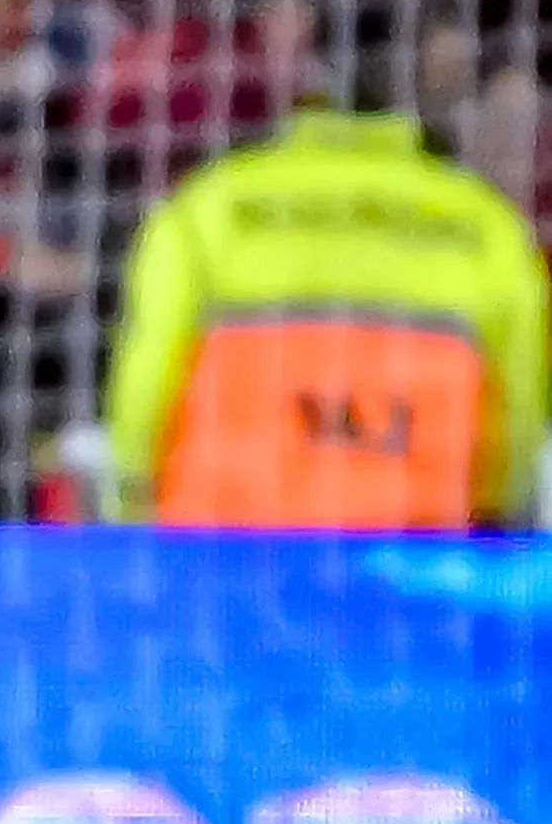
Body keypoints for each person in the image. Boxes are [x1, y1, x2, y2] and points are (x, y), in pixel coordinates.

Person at [103, 103, 549, 531]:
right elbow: (520, 408)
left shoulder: (208, 206)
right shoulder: (488, 224)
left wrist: (130, 508)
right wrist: (494, 514)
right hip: (415, 547)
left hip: (225, 545)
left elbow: (146, 381)